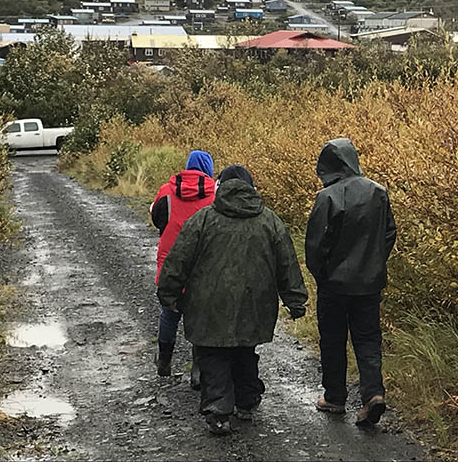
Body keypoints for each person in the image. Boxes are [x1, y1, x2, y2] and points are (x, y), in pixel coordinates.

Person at [157, 164, 308, 436]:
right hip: (255, 303)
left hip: (208, 304)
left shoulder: (203, 220)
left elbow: (178, 260)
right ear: (252, 188)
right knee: (244, 350)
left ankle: (218, 412)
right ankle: (247, 402)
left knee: (214, 354)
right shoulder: (269, 220)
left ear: (220, 188)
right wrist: (294, 299)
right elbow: (286, 262)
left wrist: (168, 293)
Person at [305, 138, 397, 426]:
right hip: (369, 284)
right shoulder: (378, 192)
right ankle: (373, 394)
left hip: (334, 285)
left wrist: (321, 274)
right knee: (368, 339)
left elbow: (316, 245)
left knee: (333, 340)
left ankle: (334, 397)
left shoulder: (328, 197)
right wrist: (374, 263)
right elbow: (389, 233)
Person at [150, 150, 216, 387]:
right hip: (203, 266)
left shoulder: (166, 191)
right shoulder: (215, 194)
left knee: (169, 313)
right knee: (200, 317)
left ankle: (164, 361)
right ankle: (198, 370)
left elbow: (156, 218)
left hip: (170, 264)